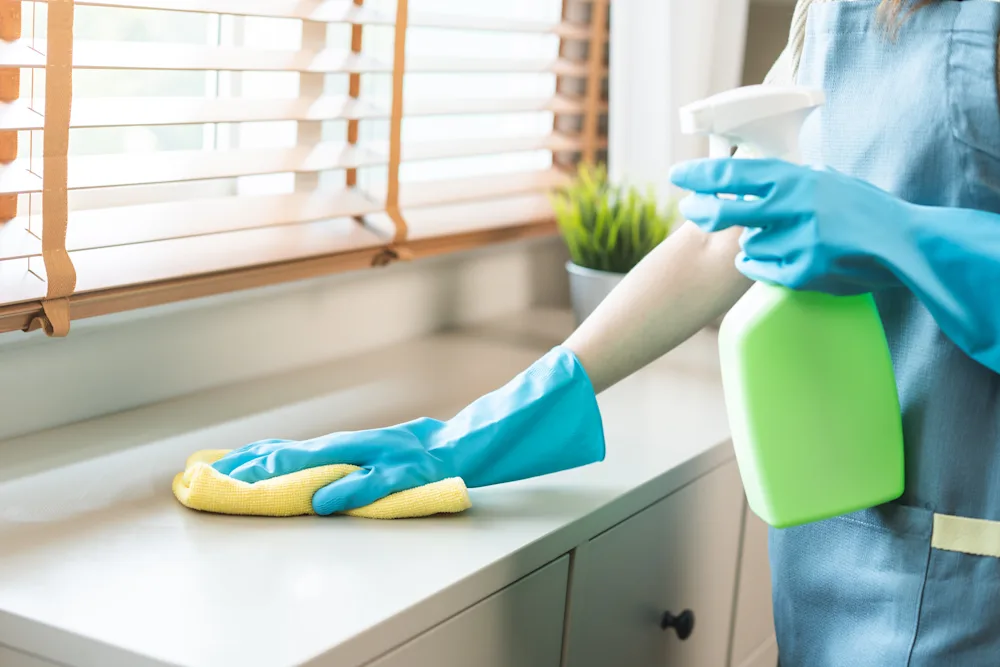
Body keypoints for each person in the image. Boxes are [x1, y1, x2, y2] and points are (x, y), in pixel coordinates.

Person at [211, 0, 1000, 664]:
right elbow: (728, 231)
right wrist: (471, 434)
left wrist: (909, 236)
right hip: (841, 548)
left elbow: (863, 214)